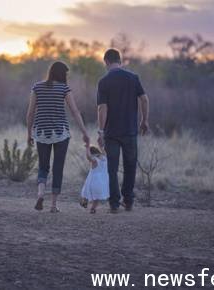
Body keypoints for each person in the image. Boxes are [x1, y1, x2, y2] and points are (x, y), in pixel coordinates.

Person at [26, 61, 89, 213]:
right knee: (58, 167)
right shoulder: (64, 88)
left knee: (43, 166)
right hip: (61, 133)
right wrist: (84, 132)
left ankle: (41, 194)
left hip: (41, 132)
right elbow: (75, 111)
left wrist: (29, 133)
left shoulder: (37, 87)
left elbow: (30, 113)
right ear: (62, 74)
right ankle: (53, 205)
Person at [96, 49, 150, 213]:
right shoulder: (133, 78)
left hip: (111, 132)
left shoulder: (104, 81)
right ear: (119, 60)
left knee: (111, 168)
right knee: (130, 166)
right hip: (130, 130)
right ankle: (128, 200)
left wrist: (100, 131)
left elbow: (101, 109)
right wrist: (144, 120)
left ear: (106, 61)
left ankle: (114, 203)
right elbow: (144, 99)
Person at [80, 145, 110, 214]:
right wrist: (101, 146)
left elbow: (88, 157)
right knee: (96, 196)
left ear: (92, 154)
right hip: (103, 181)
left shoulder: (95, 160)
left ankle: (85, 201)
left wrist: (87, 148)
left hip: (93, 181)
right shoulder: (105, 158)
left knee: (86, 191)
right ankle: (93, 208)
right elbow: (104, 151)